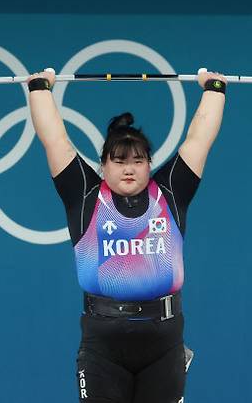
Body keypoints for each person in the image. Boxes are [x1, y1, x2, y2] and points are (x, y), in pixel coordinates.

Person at [26, 67, 227, 403]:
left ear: (150, 165)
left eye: (138, 160)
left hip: (163, 341)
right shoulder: (85, 195)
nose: (129, 168)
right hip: (103, 342)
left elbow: (199, 139)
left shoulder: (171, 192)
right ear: (103, 166)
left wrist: (215, 88)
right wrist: (38, 87)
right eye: (119, 161)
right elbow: (55, 139)